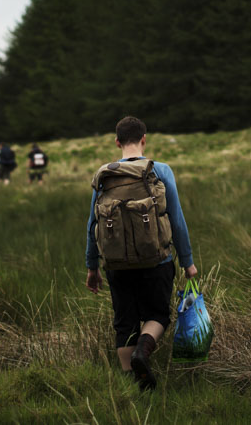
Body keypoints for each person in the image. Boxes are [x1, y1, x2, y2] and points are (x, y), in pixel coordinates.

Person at [85, 116, 198, 391]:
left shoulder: (105, 175)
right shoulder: (160, 170)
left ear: (117, 142)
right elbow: (177, 219)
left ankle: (132, 389)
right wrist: (188, 263)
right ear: (144, 140)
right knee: (158, 315)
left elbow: (92, 224)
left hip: (116, 264)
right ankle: (142, 354)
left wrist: (92, 266)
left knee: (124, 322)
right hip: (157, 261)